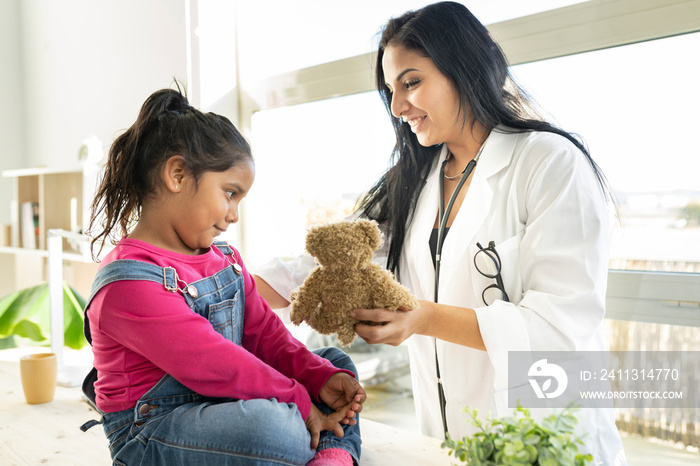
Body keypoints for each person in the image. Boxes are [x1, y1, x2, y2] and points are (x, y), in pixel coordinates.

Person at [254, 2, 627, 465]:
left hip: (548, 433)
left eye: (411, 82)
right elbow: (327, 262)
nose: (397, 105)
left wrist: (423, 318)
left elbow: (560, 326)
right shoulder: (415, 179)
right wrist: (213, 289)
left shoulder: (549, 162)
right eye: (391, 89)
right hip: (450, 441)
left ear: (465, 68)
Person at [80, 85, 365, 466]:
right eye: (230, 193)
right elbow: (216, 364)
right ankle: (325, 445)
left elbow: (265, 335)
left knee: (335, 364)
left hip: (222, 405)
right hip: (153, 435)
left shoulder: (225, 259)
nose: (233, 215)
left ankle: (331, 455)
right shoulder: (126, 284)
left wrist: (316, 378)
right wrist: (300, 400)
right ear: (177, 174)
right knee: (272, 428)